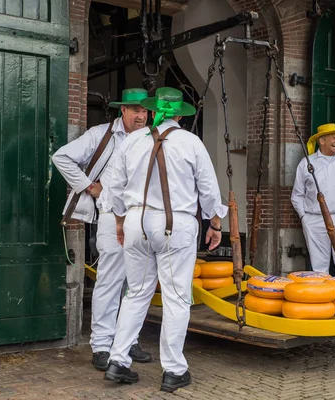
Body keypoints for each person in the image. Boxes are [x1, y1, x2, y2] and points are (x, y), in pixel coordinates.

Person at [104, 87, 227, 392]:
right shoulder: (190, 142)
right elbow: (209, 190)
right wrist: (215, 222)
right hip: (177, 225)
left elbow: (113, 189)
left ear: (153, 110)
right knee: (176, 296)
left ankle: (118, 361)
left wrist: (120, 220)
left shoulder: (132, 141)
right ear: (179, 114)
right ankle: (173, 370)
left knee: (135, 293)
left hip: (136, 222)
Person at [52, 88, 153, 370]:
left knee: (136, 284)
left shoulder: (150, 138)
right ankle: (101, 346)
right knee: (110, 281)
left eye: (145, 110)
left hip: (142, 218)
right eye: (136, 110)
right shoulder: (101, 134)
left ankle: (128, 341)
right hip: (112, 216)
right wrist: (90, 187)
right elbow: (61, 157)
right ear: (123, 110)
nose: (142, 116)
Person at [291, 123, 335, 276]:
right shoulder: (307, 163)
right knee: (319, 268)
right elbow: (297, 195)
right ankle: (321, 299)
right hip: (315, 220)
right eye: (333, 138)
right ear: (321, 141)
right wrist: (305, 217)